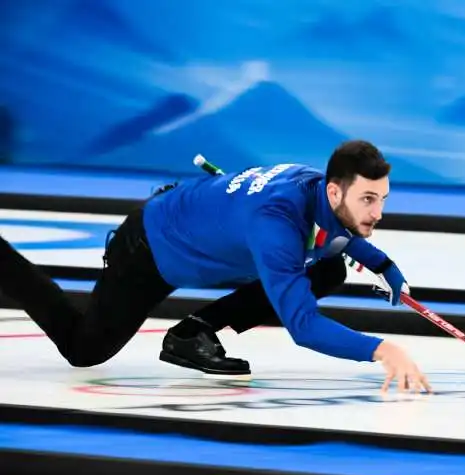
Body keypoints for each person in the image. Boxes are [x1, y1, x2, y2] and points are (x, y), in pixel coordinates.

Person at [0, 140, 432, 393]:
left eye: (382, 200)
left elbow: (341, 234)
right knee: (84, 351)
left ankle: (193, 332)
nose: (377, 213)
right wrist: (381, 349)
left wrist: (384, 264)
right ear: (336, 193)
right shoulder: (276, 226)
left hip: (198, 229)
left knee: (329, 268)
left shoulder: (313, 185)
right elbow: (303, 326)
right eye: (368, 201)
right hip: (149, 250)